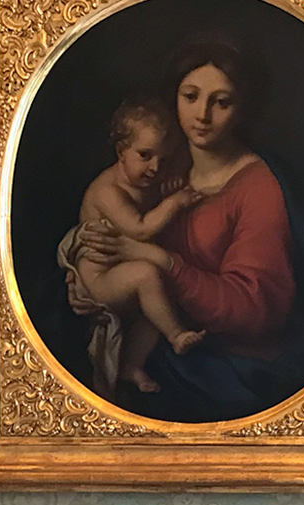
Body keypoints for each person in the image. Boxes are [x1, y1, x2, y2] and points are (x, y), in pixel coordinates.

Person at [79, 38, 304, 423]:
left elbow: (254, 312)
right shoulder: (161, 163)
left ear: (242, 109)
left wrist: (162, 262)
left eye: (221, 102)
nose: (202, 115)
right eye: (190, 96)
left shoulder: (259, 188)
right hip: (153, 347)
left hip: (226, 366)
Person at [58, 99, 206, 394]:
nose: (155, 168)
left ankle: (131, 365)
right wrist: (174, 202)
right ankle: (177, 335)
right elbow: (140, 229)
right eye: (145, 156)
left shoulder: (145, 180)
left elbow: (157, 191)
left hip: (119, 273)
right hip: (98, 280)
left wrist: (169, 185)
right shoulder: (108, 191)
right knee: (147, 276)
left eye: (163, 160)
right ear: (120, 152)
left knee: (155, 309)